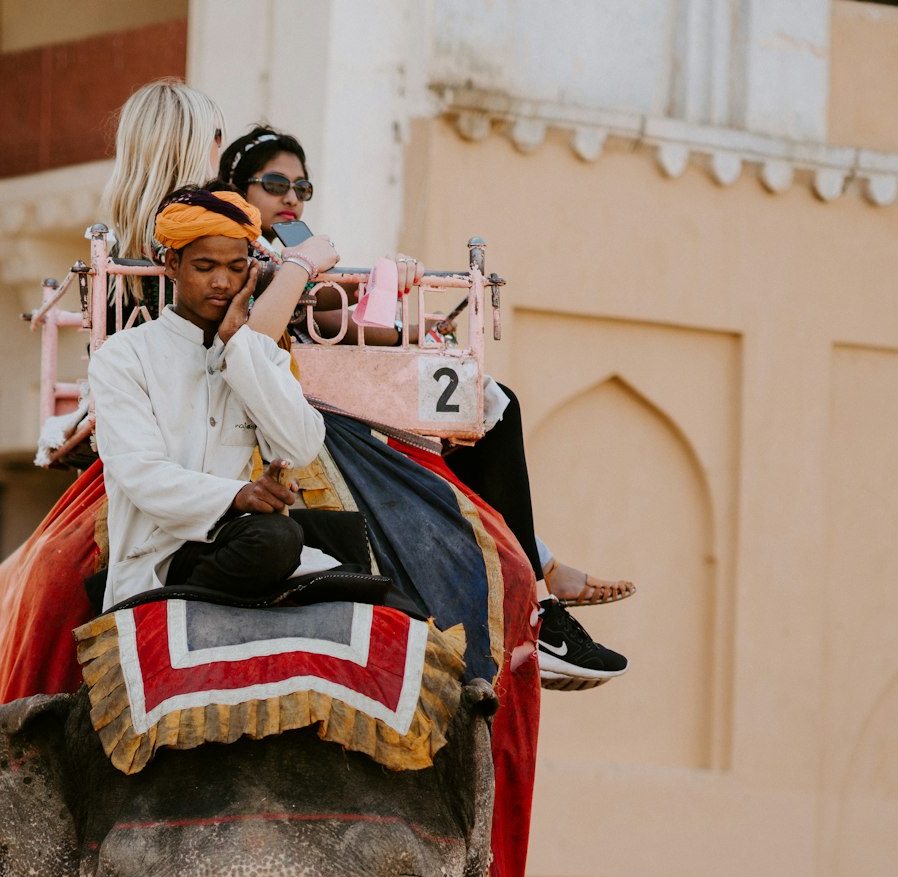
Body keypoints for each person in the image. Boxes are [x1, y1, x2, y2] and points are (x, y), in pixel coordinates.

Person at [220, 125, 635, 687]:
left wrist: (414, 328)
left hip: (331, 378)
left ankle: (538, 577)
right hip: (296, 397)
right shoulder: (240, 250)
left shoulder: (292, 248)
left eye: (302, 186)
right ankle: (538, 591)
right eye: (275, 183)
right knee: (486, 410)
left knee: (484, 407)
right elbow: (276, 331)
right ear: (237, 190)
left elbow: (331, 320)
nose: (292, 197)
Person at [88, 185, 328, 609]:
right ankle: (179, 602)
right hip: (154, 558)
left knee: (282, 537)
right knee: (274, 541)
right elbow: (143, 476)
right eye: (204, 266)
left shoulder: (259, 353)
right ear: (172, 264)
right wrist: (236, 496)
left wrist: (239, 346)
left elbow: (302, 445)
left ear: (250, 273)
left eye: (236, 268)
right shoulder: (124, 357)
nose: (221, 282)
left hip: (232, 540)